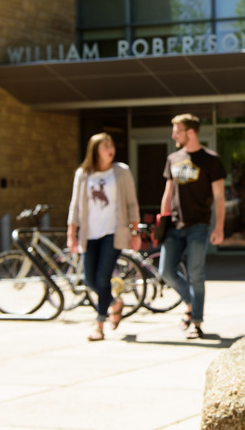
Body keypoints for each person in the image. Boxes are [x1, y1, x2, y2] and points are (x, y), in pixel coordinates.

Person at [67, 133, 141, 341]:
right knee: (90, 280)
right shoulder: (83, 174)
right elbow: (75, 205)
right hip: (89, 235)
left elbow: (131, 203)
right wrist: (71, 233)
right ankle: (114, 303)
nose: (111, 148)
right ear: (95, 150)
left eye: (112, 144)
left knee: (102, 277)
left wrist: (135, 232)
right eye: (105, 145)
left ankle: (99, 325)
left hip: (112, 233)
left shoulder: (121, 172)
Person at [159, 113, 226, 339]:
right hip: (174, 226)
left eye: (177, 130)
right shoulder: (173, 158)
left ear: (191, 132)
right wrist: (162, 220)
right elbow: (168, 193)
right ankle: (190, 303)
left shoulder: (211, 160)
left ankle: (196, 321)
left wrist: (219, 228)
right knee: (166, 271)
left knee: (197, 273)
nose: (173, 135)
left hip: (199, 225)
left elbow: (219, 197)